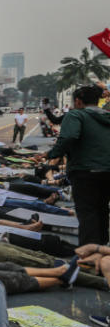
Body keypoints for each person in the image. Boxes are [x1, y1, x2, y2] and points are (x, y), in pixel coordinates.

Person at [41, 85, 110, 246]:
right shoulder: (107, 116)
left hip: (85, 171)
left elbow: (69, 137)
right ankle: (102, 248)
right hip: (108, 171)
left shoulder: (76, 115)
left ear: (78, 101)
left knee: (87, 212)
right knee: (102, 209)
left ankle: (89, 254)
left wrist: (52, 154)